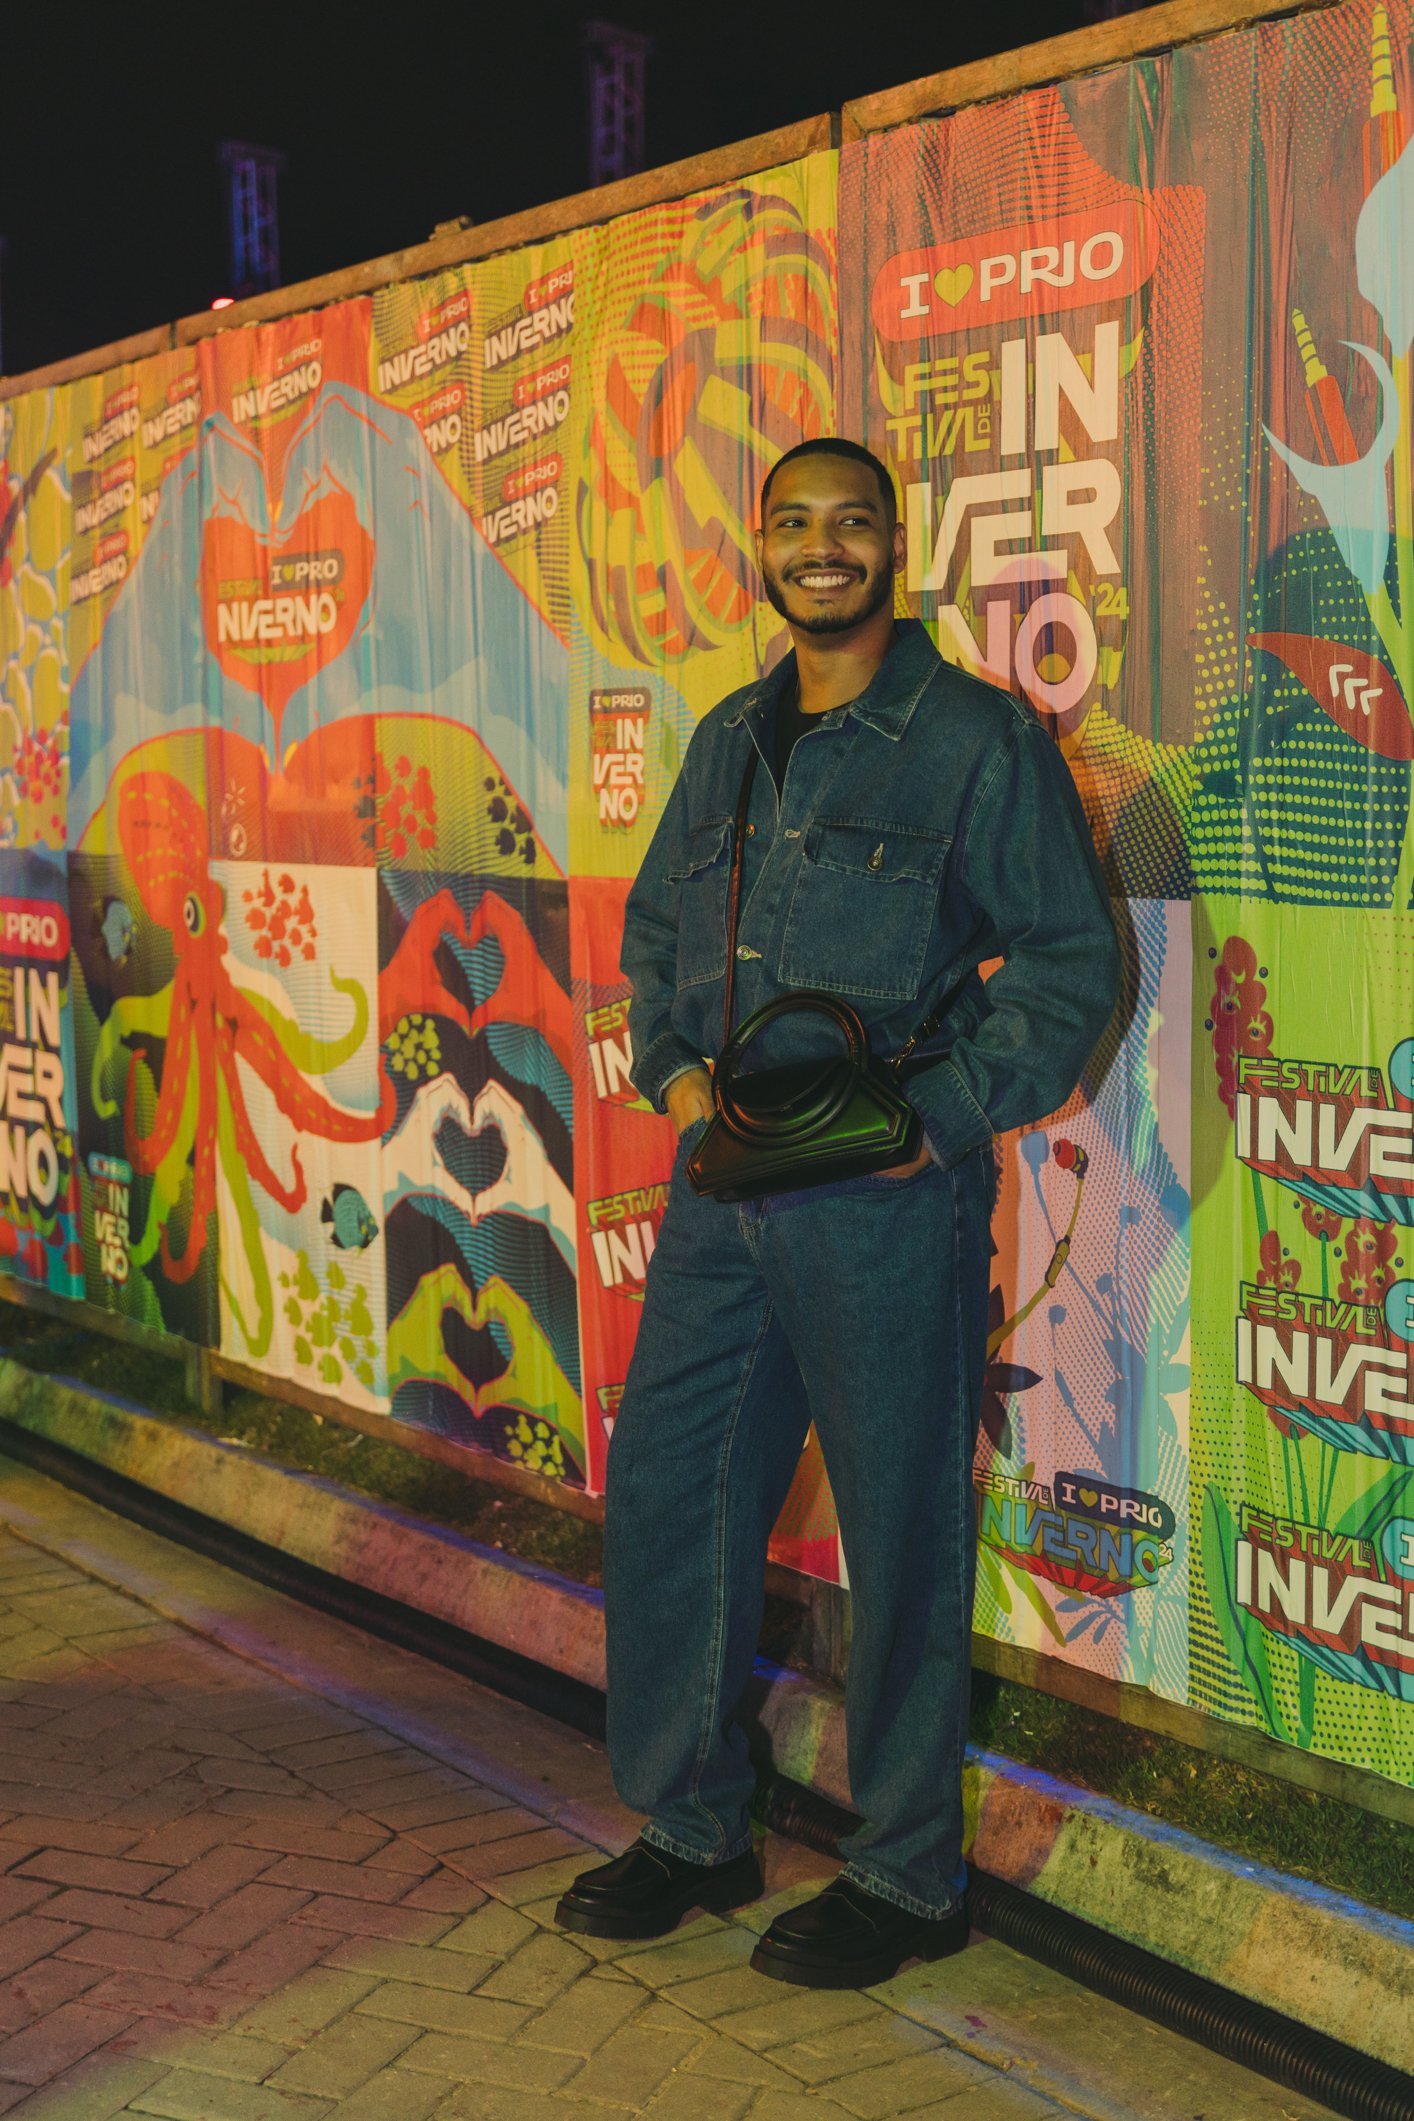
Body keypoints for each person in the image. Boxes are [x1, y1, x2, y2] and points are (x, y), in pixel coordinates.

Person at [555, 437, 1121, 1988]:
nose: (821, 546)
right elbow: (658, 926)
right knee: (670, 1494)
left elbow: (1066, 963)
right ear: (761, 545)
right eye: (793, 522)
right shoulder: (729, 738)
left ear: (891, 544)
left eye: (849, 522)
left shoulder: (973, 739)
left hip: (882, 1206)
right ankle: (692, 1826)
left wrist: (933, 1122)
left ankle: (906, 1872)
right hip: (724, 1198)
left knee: (899, 1529)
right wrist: (674, 1075)